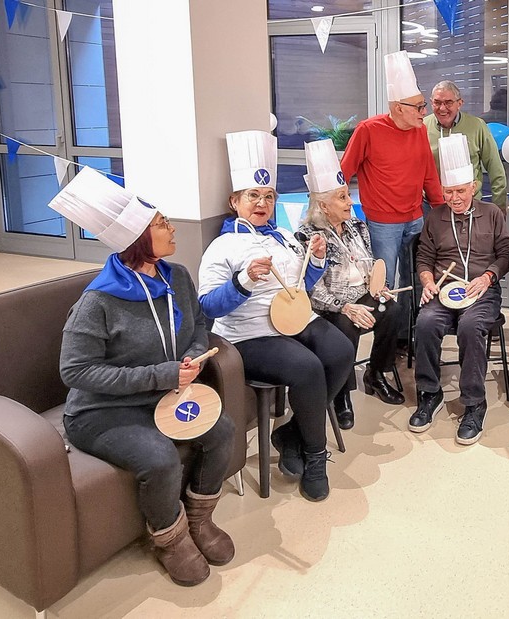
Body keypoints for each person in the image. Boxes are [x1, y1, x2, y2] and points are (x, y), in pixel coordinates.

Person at [52, 168, 235, 587]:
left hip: (163, 395)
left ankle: (199, 519)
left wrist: (192, 361)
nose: (172, 228)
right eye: (161, 224)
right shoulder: (98, 300)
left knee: (221, 431)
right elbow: (75, 371)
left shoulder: (178, 278)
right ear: (136, 238)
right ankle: (170, 540)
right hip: (101, 412)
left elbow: (198, 329)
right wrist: (164, 373)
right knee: (159, 458)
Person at [198, 130, 354, 502]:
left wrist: (314, 258)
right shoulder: (223, 246)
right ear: (235, 200)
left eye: (269, 197)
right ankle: (316, 456)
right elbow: (208, 306)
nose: (262, 203)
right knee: (308, 368)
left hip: (295, 319)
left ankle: (291, 434)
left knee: (341, 350)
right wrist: (244, 280)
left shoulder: (284, 236)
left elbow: (303, 284)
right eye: (253, 196)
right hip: (250, 335)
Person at [411, 134, 509, 445]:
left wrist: (487, 278)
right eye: (448, 192)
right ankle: (430, 392)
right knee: (425, 323)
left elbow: (506, 254)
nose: (454, 198)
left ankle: (474, 403)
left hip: (482, 292)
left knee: (470, 327)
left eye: (459, 191)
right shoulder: (436, 217)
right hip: (444, 291)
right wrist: (428, 281)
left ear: (473, 187)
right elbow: (424, 257)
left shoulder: (492, 214)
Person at [296, 139, 405, 432]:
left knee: (393, 309)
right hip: (330, 306)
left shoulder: (357, 225)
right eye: (342, 198)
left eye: (347, 196)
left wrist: (377, 285)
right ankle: (342, 394)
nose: (349, 203)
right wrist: (345, 306)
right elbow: (309, 288)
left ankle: (376, 374)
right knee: (346, 326)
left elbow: (368, 261)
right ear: (322, 205)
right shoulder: (306, 235)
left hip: (363, 295)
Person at [340, 50, 445, 327]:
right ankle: (385, 341)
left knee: (417, 276)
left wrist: (440, 209)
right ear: (398, 108)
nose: (426, 112)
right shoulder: (368, 129)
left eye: (424, 106)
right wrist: (334, 208)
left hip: (415, 217)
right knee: (383, 285)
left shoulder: (420, 130)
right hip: (383, 222)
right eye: (420, 107)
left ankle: (410, 332)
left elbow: (428, 173)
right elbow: (344, 170)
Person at [424, 80, 508, 210]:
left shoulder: (477, 126)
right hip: (432, 206)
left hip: (471, 205)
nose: (442, 108)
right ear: (431, 102)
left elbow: (495, 168)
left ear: (460, 103)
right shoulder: (422, 127)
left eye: (448, 103)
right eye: (437, 102)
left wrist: (499, 208)